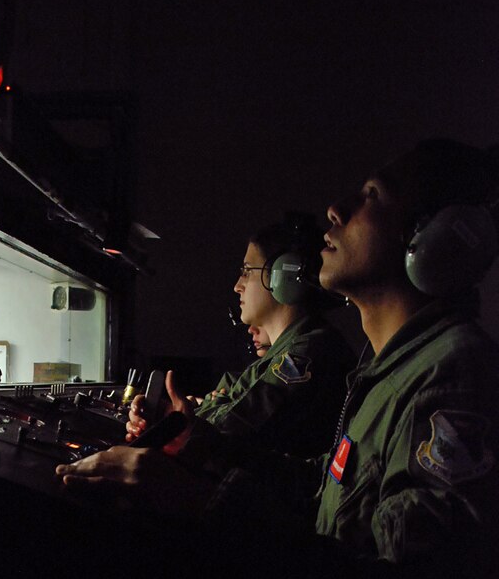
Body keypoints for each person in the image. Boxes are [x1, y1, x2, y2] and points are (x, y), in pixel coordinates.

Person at [56, 139, 499, 578]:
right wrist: (198, 443)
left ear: (437, 237)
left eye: (373, 196)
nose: (337, 210)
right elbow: (323, 492)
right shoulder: (389, 369)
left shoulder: (454, 374)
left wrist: (199, 503)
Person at [130, 214, 357, 463]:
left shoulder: (309, 353)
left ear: (285, 276)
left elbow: (234, 430)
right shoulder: (283, 353)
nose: (238, 286)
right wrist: (172, 416)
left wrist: (186, 424)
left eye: (247, 272)